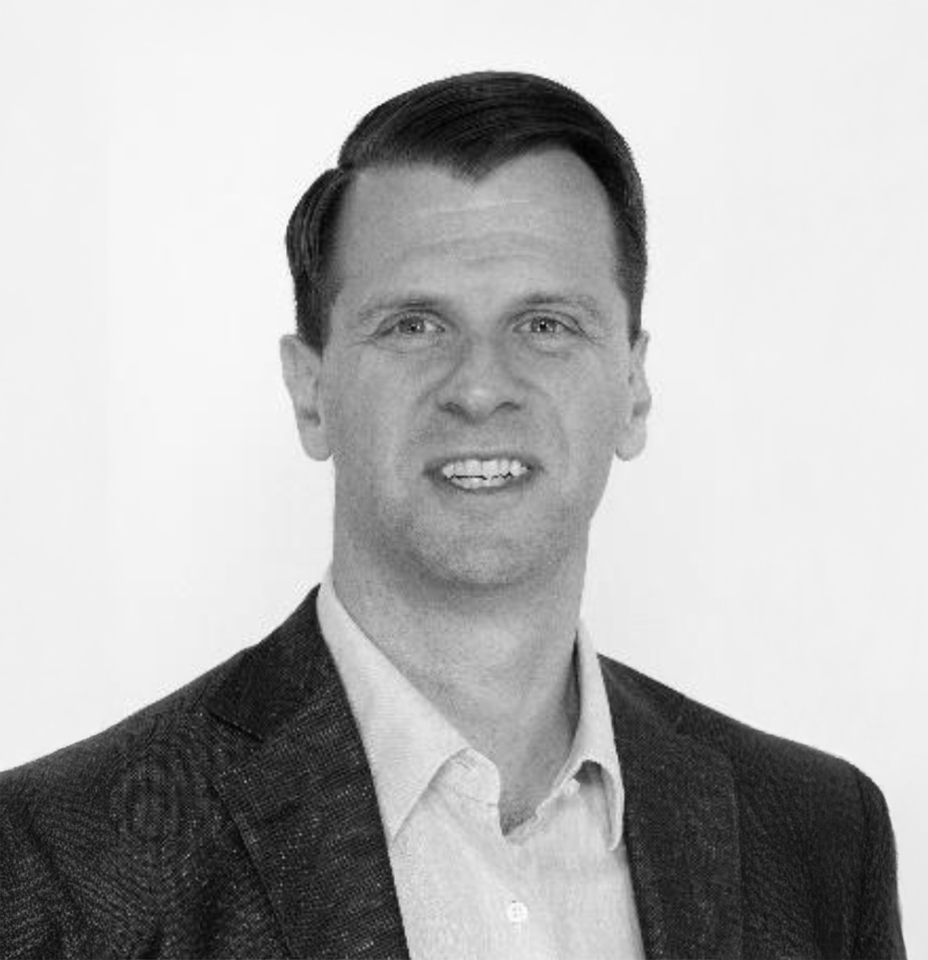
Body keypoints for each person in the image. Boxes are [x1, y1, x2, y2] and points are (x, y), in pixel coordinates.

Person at [0, 71, 906, 959]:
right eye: (414, 326)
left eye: (546, 324)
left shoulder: (822, 840)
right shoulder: (59, 860)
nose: (478, 388)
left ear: (632, 388)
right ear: (311, 393)